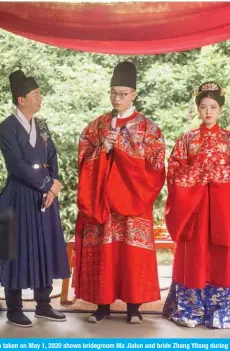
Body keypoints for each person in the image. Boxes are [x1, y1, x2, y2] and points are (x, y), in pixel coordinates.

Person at [75, 62, 166, 324]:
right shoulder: (98, 124)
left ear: (134, 94)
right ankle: (102, 306)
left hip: (134, 198)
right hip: (103, 200)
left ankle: (133, 307)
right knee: (105, 251)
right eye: (113, 92)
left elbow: (157, 162)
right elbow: (83, 155)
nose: (117, 98)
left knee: (131, 253)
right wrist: (102, 148)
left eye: (123, 93)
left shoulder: (148, 127)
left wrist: (125, 147)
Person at [162, 81, 230, 329]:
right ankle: (190, 311)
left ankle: (220, 313)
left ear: (221, 110)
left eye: (213, 107)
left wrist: (222, 175)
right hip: (194, 209)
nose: (208, 112)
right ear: (197, 110)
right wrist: (201, 174)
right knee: (193, 256)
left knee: (221, 257)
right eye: (203, 107)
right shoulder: (186, 139)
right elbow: (175, 171)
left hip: (223, 209)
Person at [0, 70, 70, 327]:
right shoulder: (7, 128)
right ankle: (14, 307)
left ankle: (43, 304)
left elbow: (52, 157)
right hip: (18, 196)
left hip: (44, 197)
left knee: (45, 246)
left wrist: (53, 188)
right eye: (36, 95)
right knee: (16, 249)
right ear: (21, 99)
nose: (40, 99)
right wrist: (47, 184)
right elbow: (16, 165)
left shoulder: (41, 125)